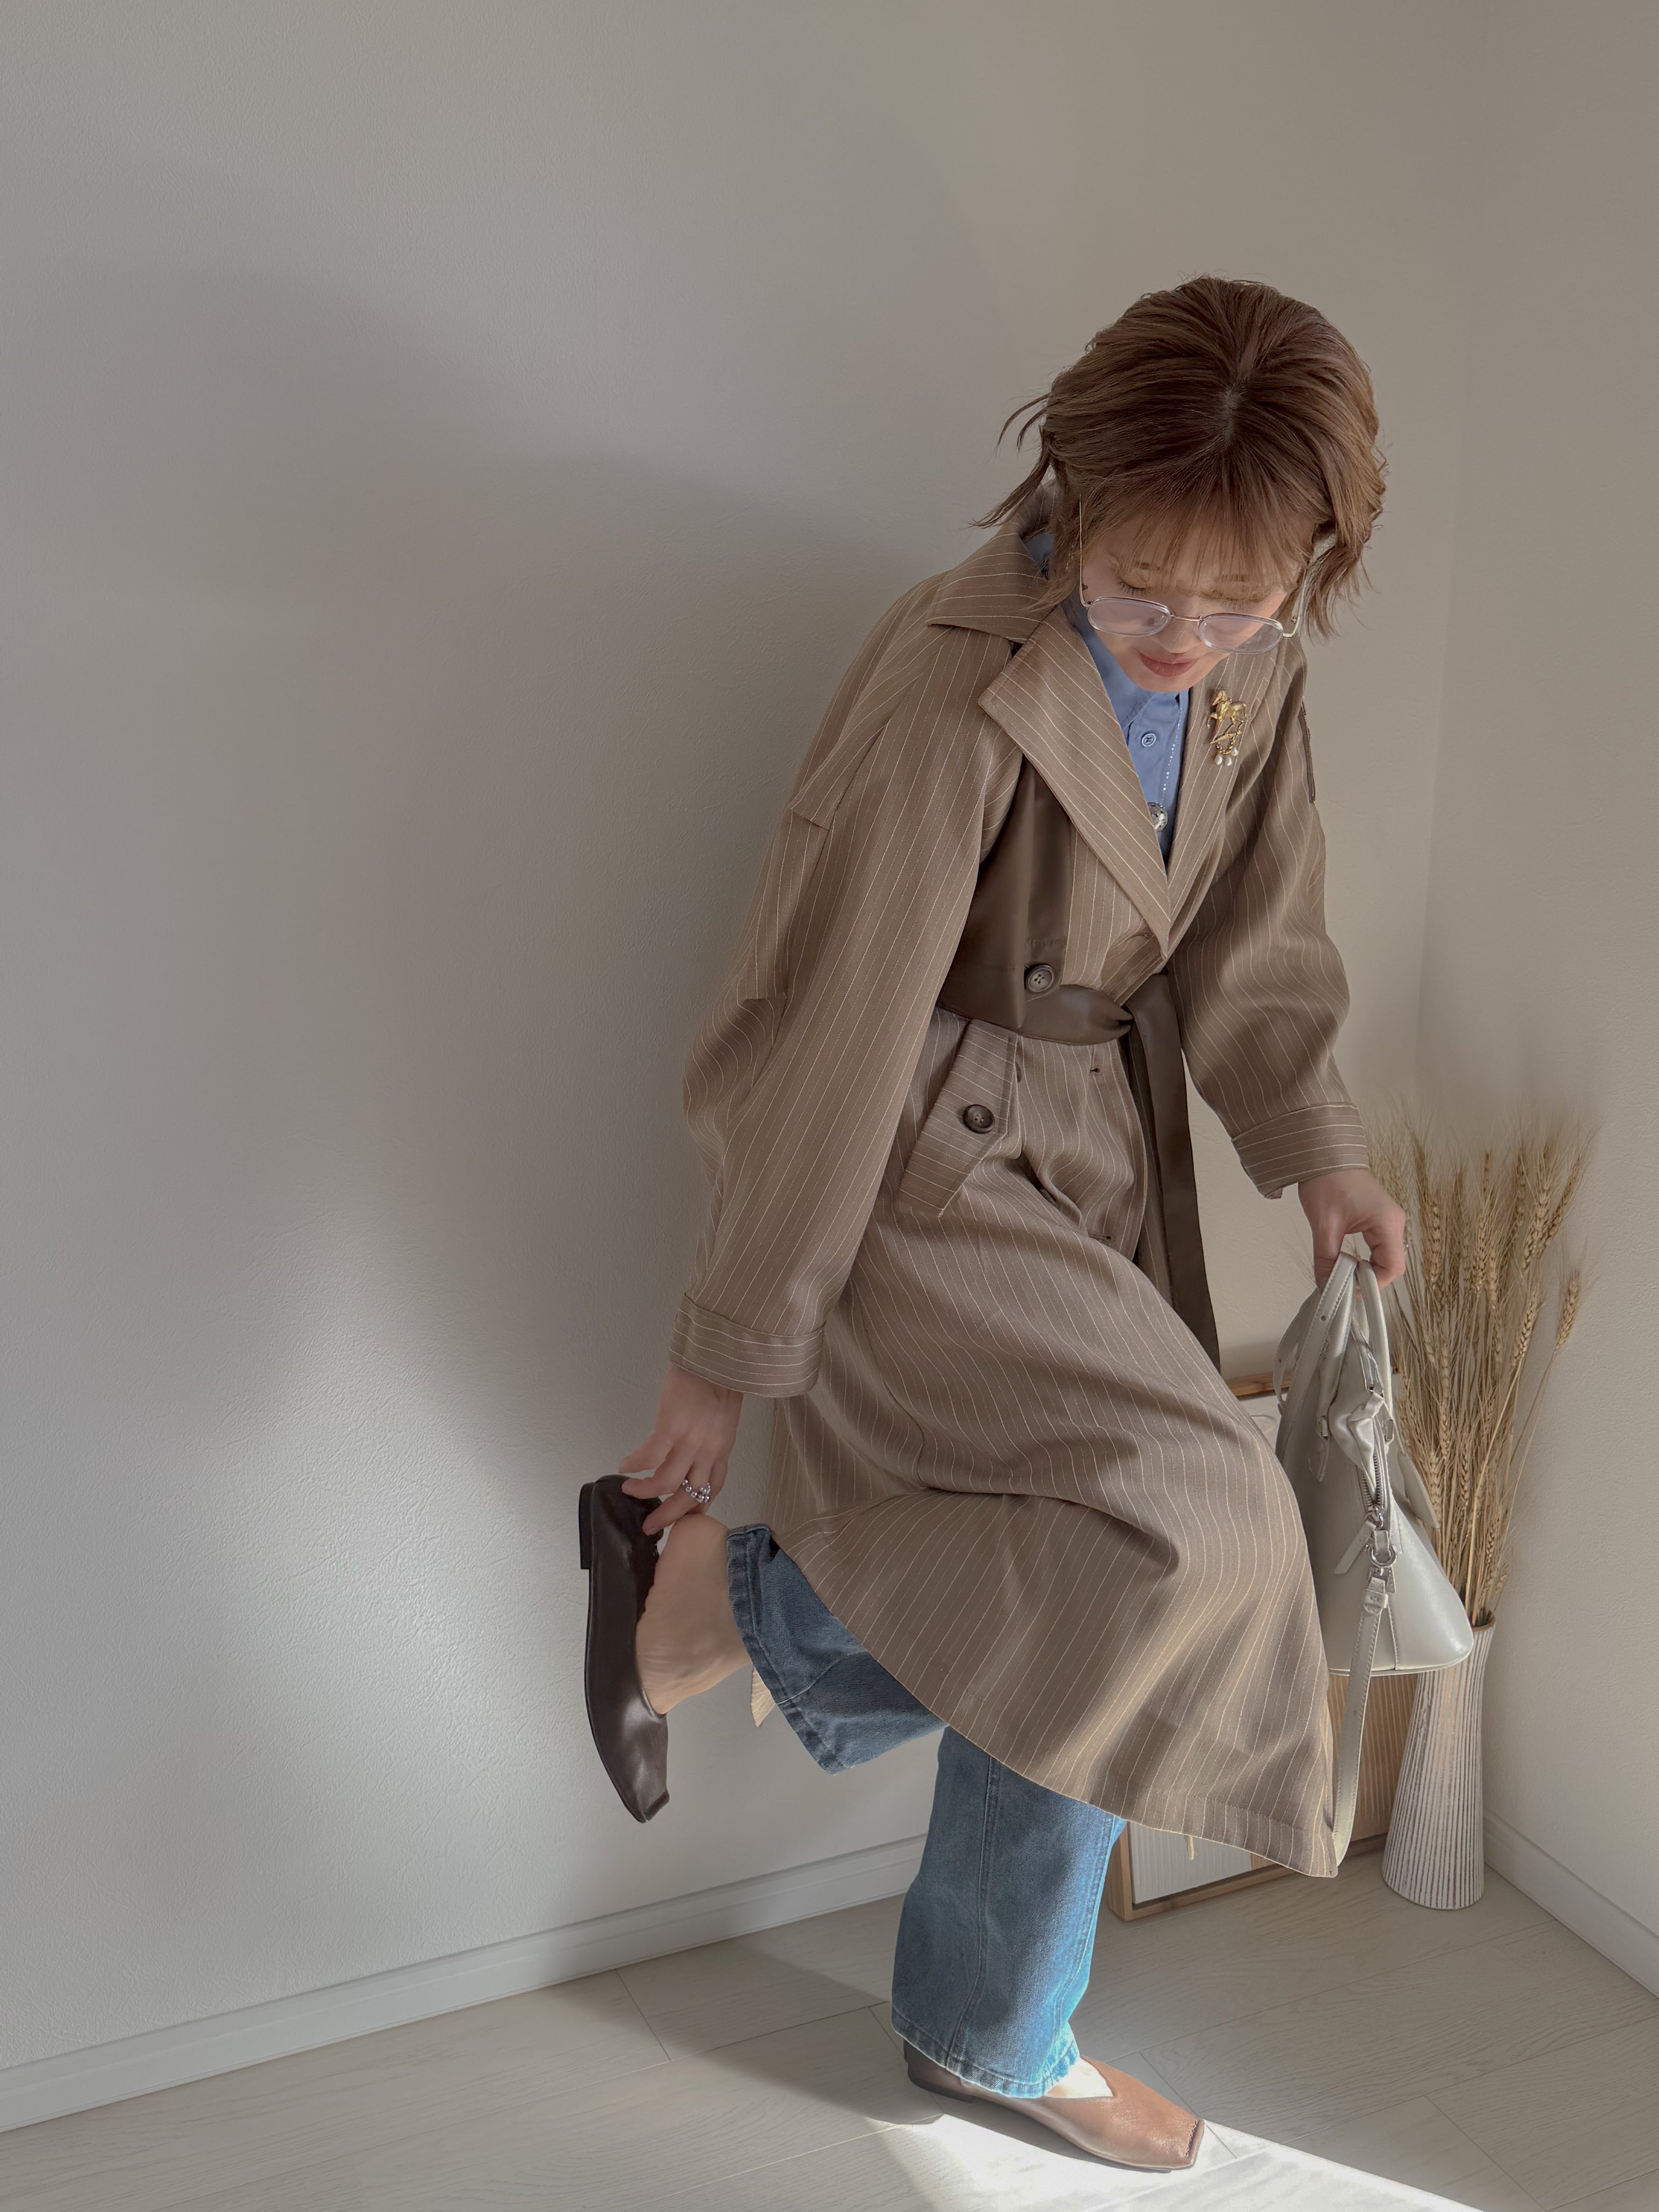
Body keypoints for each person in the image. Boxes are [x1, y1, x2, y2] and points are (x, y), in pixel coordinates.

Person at [578, 274, 1407, 2172]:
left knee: (1123, 1576)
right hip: (913, 1169)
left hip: (1091, 1151)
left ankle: (977, 2006)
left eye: (1237, 600)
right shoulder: (964, 679)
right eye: (1142, 590)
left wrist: (1318, 1153)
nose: (1184, 637)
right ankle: (745, 1634)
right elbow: (834, 1021)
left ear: (1310, 562)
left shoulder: (1255, 672)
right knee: (1199, 1531)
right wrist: (724, 1353)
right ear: (1070, 494)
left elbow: (1255, 940)